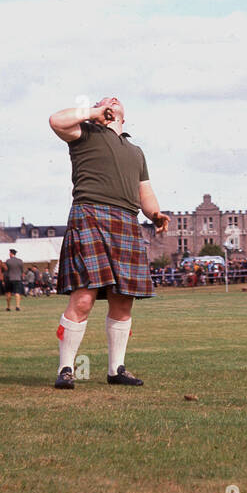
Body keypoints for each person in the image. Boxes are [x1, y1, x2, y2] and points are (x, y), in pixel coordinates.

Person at [48, 96, 169, 390]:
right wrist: (93, 114)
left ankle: (117, 369)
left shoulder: (136, 152)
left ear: (124, 117)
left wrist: (155, 213)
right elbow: (55, 120)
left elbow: (145, 192)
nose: (112, 99)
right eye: (105, 99)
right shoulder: (84, 133)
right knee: (84, 297)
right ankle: (66, 369)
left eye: (116, 100)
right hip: (90, 212)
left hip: (126, 220)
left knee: (123, 299)